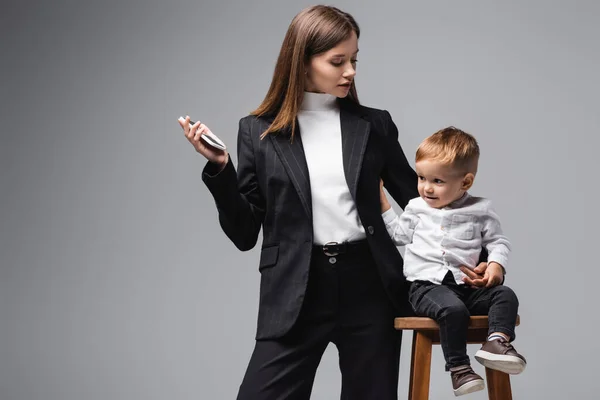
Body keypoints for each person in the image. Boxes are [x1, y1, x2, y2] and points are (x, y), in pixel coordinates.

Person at [178, 5, 491, 399]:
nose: (351, 72)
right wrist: (221, 168)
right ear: (302, 61)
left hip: (371, 285)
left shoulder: (374, 125)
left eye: (354, 59)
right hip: (295, 289)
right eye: (338, 61)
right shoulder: (258, 132)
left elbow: (427, 202)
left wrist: (477, 260)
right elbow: (244, 232)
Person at [379, 127, 526, 397]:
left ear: (466, 182)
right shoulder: (416, 208)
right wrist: (384, 204)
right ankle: (459, 369)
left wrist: (495, 265)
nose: (426, 187)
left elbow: (498, 242)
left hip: (466, 286)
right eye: (422, 178)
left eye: (437, 181)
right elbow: (399, 235)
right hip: (425, 287)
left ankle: (497, 342)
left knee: (505, 295)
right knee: (452, 310)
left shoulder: (481, 209)